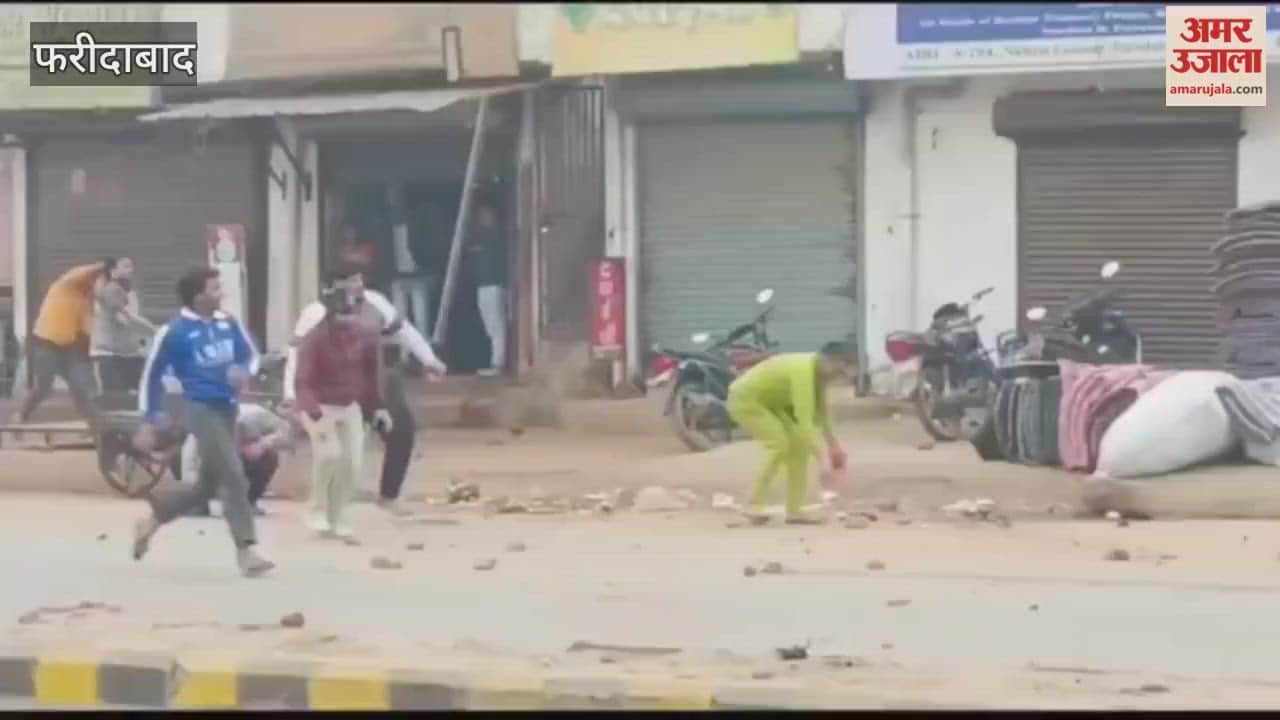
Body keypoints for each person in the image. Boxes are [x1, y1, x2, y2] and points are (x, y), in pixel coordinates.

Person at [130, 267, 273, 578]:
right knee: (233, 473)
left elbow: (250, 355)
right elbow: (151, 375)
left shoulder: (228, 323)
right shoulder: (174, 332)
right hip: (198, 408)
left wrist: (242, 370)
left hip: (228, 408)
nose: (220, 293)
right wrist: (149, 416)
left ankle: (152, 520)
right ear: (198, 297)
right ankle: (246, 548)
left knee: (208, 484)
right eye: (214, 288)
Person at [284, 262, 447, 516]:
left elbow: (404, 332)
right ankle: (326, 505)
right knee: (336, 454)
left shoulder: (376, 303)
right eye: (349, 282)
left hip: (372, 381)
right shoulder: (314, 314)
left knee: (401, 429)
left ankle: (389, 496)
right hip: (330, 390)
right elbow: (297, 355)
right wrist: (292, 396)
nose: (356, 287)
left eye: (358, 280)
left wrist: (429, 359)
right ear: (330, 289)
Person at [295, 285, 390, 538]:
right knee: (330, 456)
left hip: (350, 406)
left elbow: (373, 375)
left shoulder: (366, 337)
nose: (348, 319)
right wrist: (314, 412)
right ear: (330, 315)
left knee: (352, 464)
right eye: (342, 314)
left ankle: (339, 516)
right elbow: (303, 380)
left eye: (352, 313)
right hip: (320, 404)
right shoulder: (314, 340)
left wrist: (379, 407)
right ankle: (316, 509)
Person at [726, 342, 855, 525]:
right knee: (779, 443)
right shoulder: (803, 370)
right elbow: (804, 420)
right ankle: (752, 504)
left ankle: (795, 511)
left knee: (800, 447)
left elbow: (821, 412)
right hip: (746, 401)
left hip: (772, 404)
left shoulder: (818, 374)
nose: (837, 377)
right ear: (827, 360)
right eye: (838, 371)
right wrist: (822, 461)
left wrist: (833, 445)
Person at [14, 260, 106, 425]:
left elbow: (85, 333)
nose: (103, 288)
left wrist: (87, 360)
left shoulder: (86, 302)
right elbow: (84, 272)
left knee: (81, 388)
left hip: (69, 349)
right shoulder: (66, 284)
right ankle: (21, 417)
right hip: (47, 343)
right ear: (94, 279)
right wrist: (106, 265)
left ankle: (95, 426)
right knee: (42, 388)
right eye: (102, 283)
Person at [178, 402, 294, 518]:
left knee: (270, 457)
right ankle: (200, 503)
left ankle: (247, 502)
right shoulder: (199, 432)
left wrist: (263, 444)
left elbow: (288, 434)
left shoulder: (257, 416)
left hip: (245, 462)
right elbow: (188, 470)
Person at [91, 257, 156, 405]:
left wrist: (144, 345)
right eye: (125, 266)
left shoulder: (132, 293)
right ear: (113, 272)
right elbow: (126, 319)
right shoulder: (110, 289)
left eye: (131, 266)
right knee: (116, 399)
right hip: (110, 354)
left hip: (131, 353)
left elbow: (135, 324)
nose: (131, 270)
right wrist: (155, 330)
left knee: (146, 392)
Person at [464, 199, 506, 376]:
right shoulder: (481, 235)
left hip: (494, 284)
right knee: (490, 324)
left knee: (496, 324)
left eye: (485, 215)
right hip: (484, 284)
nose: (482, 218)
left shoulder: (496, 237)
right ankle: (496, 360)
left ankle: (498, 362)